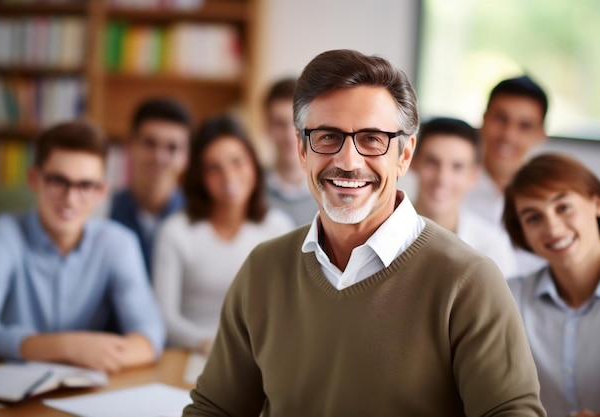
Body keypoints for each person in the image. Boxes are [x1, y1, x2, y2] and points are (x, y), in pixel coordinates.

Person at [183, 49, 544, 416]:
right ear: (302, 150)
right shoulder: (264, 268)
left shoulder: (468, 282)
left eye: (372, 138)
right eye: (327, 136)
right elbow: (215, 409)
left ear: (404, 155)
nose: (348, 161)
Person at [0, 120, 165, 373]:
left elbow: (150, 334)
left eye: (85, 185)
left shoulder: (119, 243)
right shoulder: (2, 236)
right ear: (34, 179)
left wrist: (96, 353)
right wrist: (65, 347)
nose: (70, 199)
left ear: (100, 192)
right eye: (57, 181)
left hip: (81, 390)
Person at [152, 115, 293, 355]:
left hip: (258, 357)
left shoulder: (277, 227)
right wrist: (208, 343)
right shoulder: (176, 232)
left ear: (253, 165)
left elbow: (289, 308)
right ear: (200, 176)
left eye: (237, 162)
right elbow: (164, 317)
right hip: (192, 354)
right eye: (214, 168)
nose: (228, 177)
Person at [503, 153, 600, 417]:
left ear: (596, 202)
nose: (553, 229)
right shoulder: (508, 299)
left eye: (563, 207)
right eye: (533, 218)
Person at [411, 117, 517, 278]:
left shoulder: (493, 247)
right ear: (412, 162)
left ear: (474, 176)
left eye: (457, 167)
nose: (442, 179)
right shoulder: (377, 232)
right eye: (432, 162)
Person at [465, 75, 549, 277]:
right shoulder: (449, 188)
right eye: (501, 119)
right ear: (483, 120)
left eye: (524, 126)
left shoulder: (552, 206)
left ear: (540, 135)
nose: (508, 136)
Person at [110, 97, 193, 277]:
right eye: (150, 143)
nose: (159, 157)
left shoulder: (196, 219)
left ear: (186, 157)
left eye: (172, 147)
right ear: (130, 146)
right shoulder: (103, 212)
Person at [263, 77, 318, 226]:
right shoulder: (251, 190)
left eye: (297, 124)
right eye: (280, 124)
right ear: (266, 126)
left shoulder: (330, 192)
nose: (289, 135)